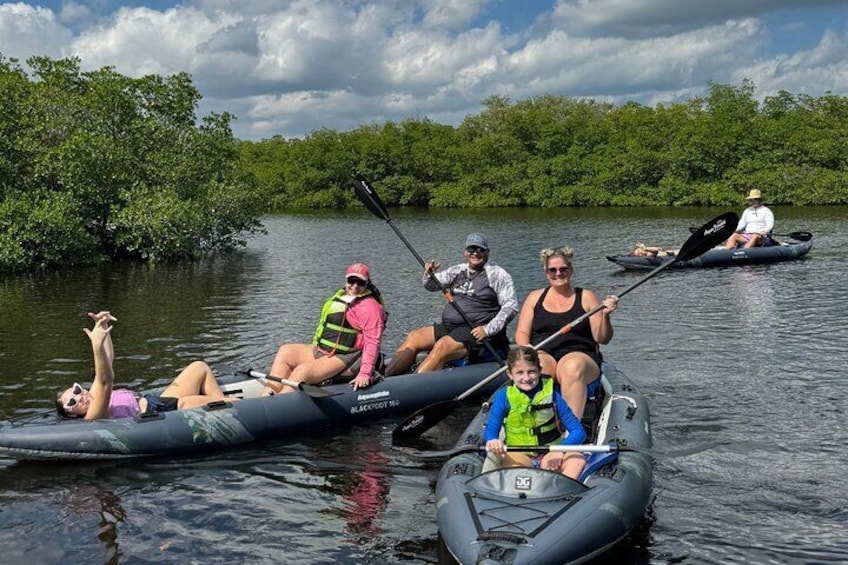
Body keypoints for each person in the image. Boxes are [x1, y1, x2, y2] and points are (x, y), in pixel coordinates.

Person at [56, 311, 234, 420]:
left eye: (77, 391)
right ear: (72, 414)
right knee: (205, 402)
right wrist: (96, 346)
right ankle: (232, 408)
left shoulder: (94, 395)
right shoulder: (94, 414)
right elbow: (105, 380)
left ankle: (226, 412)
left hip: (153, 401)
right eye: (72, 402)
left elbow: (108, 360)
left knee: (199, 367)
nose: (79, 397)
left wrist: (103, 327)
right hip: (158, 414)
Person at [383, 233, 518, 375]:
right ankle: (386, 379)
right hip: (451, 327)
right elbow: (431, 286)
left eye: (480, 250)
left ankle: (409, 388)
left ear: (487, 252)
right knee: (415, 337)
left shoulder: (498, 275)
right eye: (471, 249)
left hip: (476, 330)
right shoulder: (457, 271)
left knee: (442, 346)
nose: (475, 253)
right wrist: (429, 275)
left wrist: (488, 329)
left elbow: (511, 307)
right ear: (465, 252)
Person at [514, 246, 618, 419]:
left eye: (563, 269)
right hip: (545, 353)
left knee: (571, 367)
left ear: (571, 270)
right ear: (546, 273)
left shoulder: (586, 297)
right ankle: (541, 427)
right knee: (538, 366)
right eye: (552, 270)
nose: (558, 273)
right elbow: (522, 334)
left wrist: (605, 316)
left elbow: (602, 338)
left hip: (581, 356)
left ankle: (571, 432)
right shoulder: (534, 297)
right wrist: (527, 351)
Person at [263, 263, 387, 395]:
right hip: (326, 350)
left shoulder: (371, 308)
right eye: (352, 281)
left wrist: (365, 373)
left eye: (360, 282)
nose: (355, 286)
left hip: (347, 356)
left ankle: (278, 404)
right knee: (286, 351)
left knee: (302, 370)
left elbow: (373, 342)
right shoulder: (343, 297)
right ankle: (267, 395)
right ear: (346, 280)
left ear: (367, 284)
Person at [484, 346, 587, 480]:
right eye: (520, 372)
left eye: (531, 372)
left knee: (577, 460)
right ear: (510, 374)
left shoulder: (552, 394)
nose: (526, 378)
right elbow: (491, 430)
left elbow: (578, 431)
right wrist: (492, 440)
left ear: (539, 371)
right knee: (511, 467)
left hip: (551, 453)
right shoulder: (504, 397)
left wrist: (559, 451)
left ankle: (565, 495)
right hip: (519, 454)